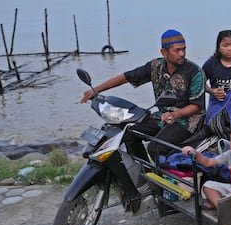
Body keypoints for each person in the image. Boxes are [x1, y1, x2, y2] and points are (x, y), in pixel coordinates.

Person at [80, 29, 205, 158]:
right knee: (129, 133)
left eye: (184, 49)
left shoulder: (194, 71)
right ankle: (141, 169)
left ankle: (162, 176)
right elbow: (126, 77)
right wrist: (96, 90)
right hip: (162, 116)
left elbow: (196, 106)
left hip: (188, 121)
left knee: (154, 148)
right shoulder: (155, 66)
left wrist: (175, 114)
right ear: (164, 52)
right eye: (177, 50)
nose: (182, 53)